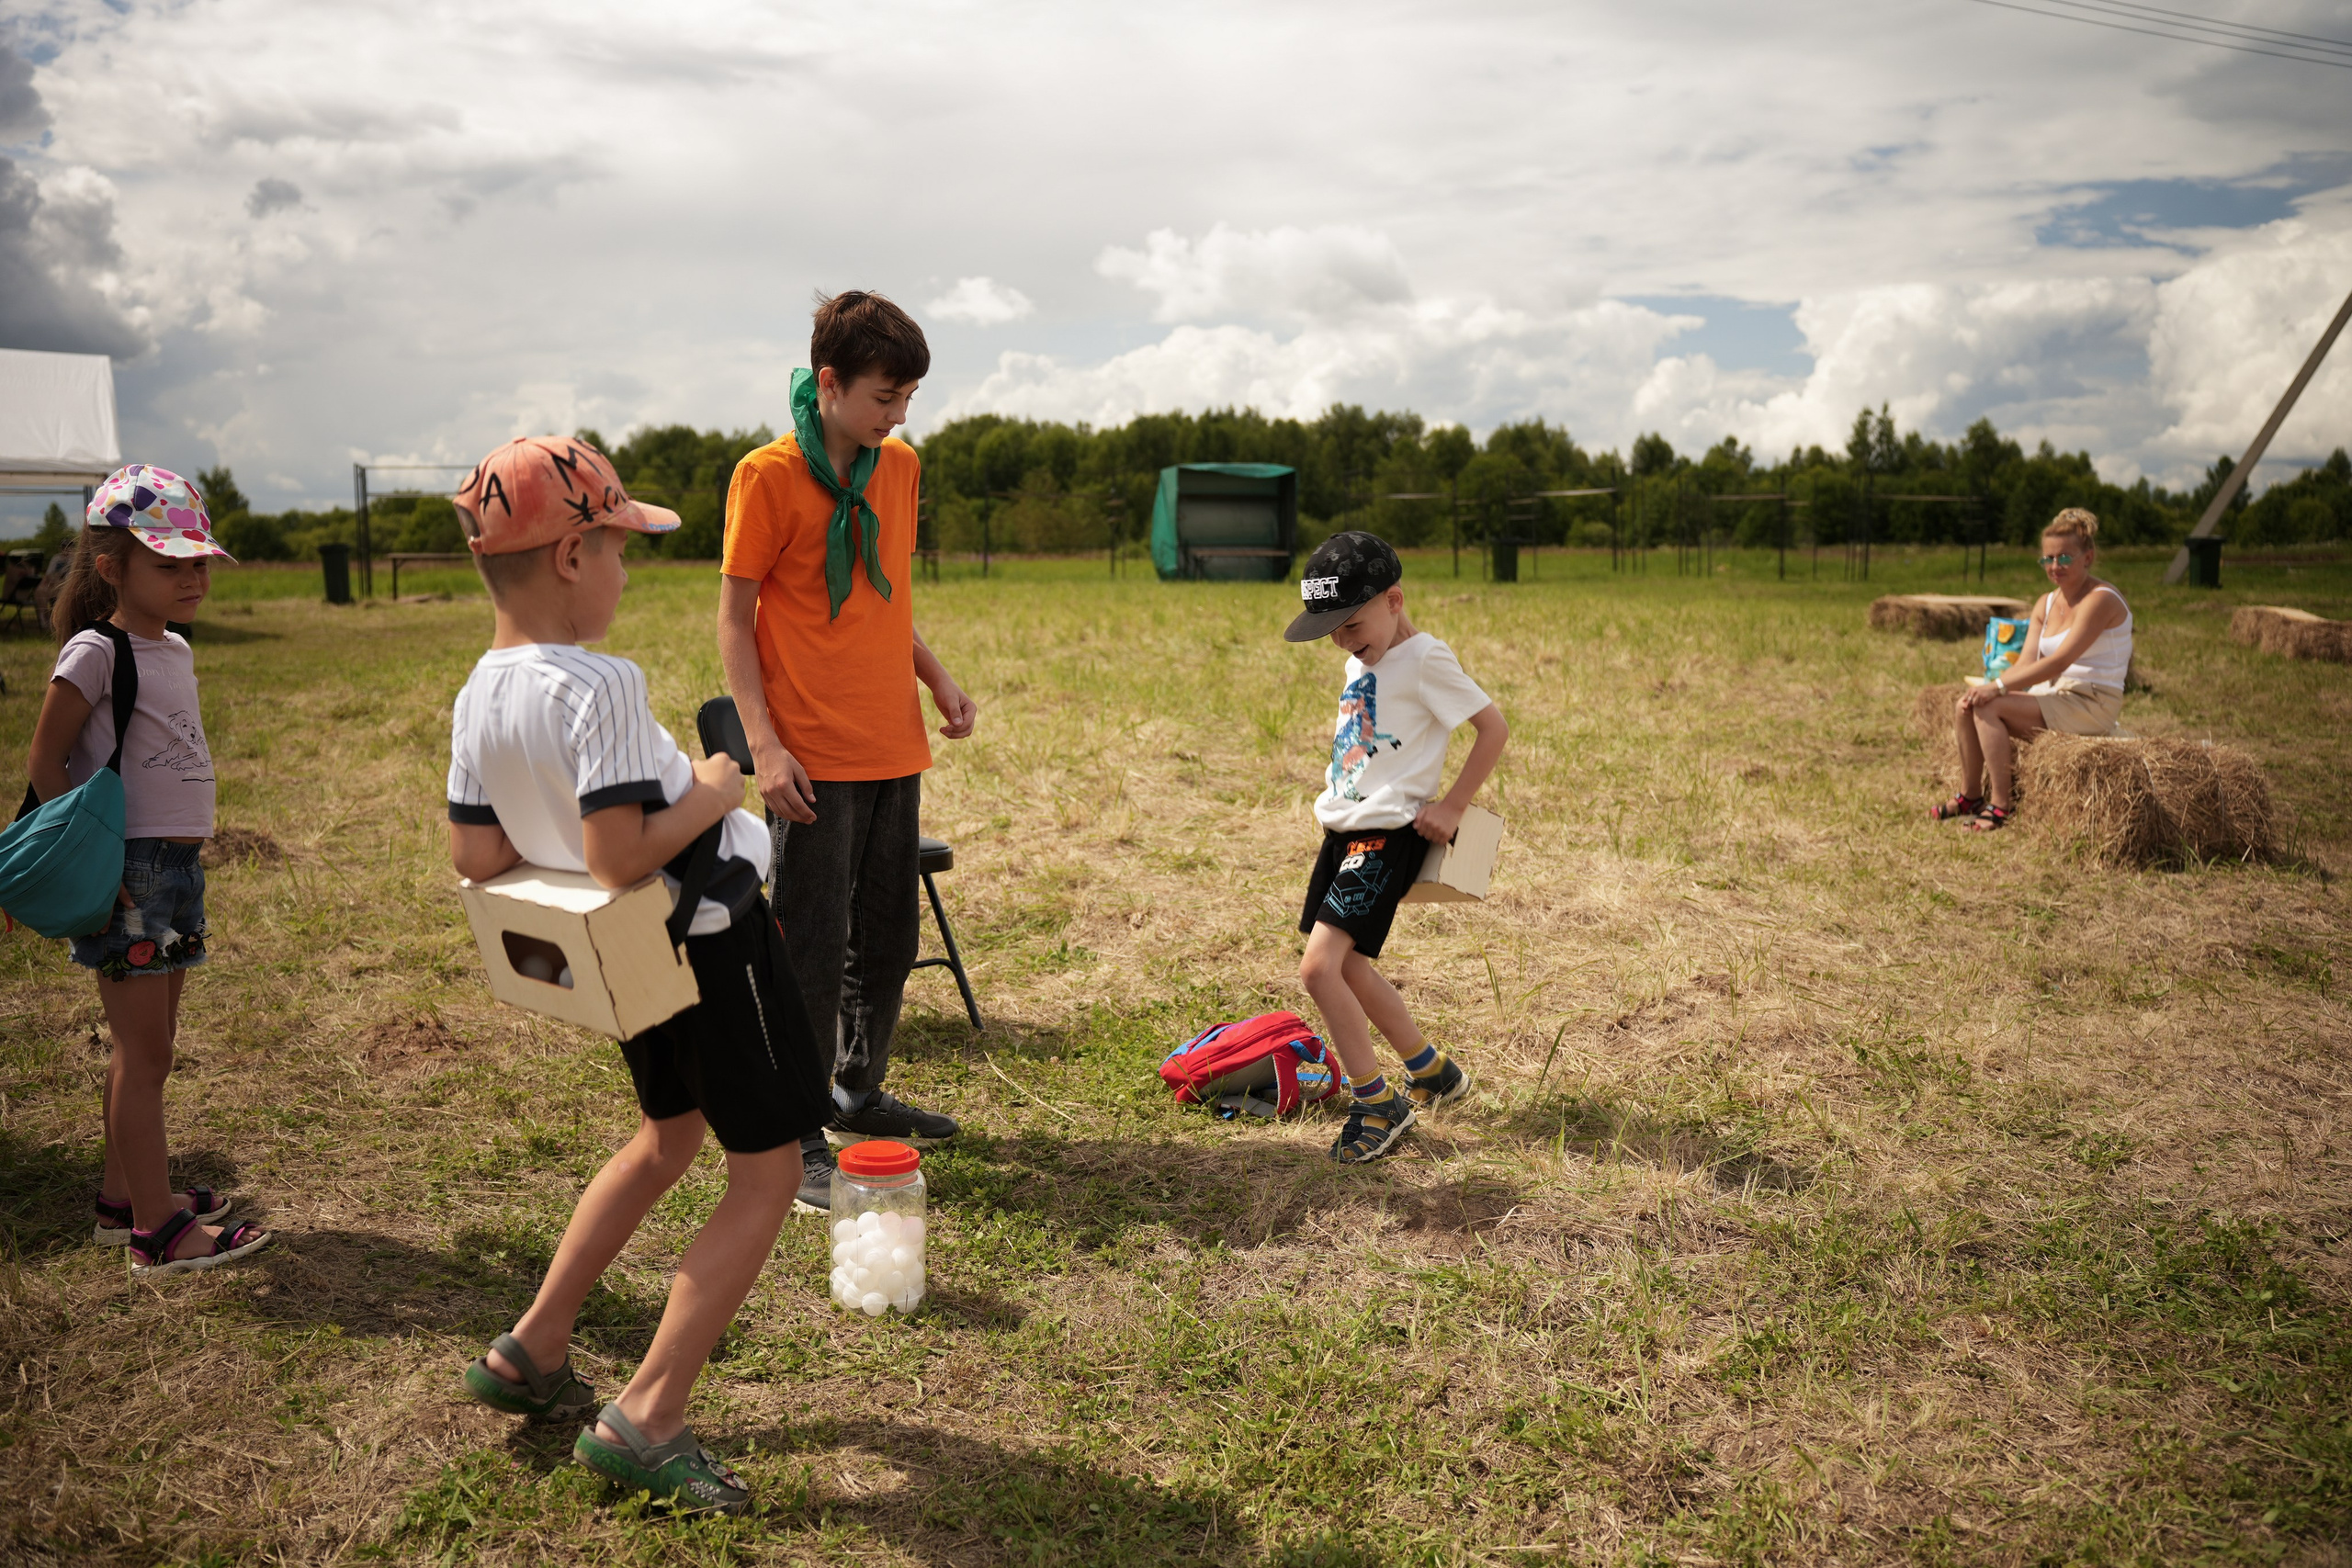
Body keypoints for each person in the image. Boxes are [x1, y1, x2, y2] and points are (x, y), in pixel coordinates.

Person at [446, 436, 831, 1516]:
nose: (628, 570)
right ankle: (648, 1417)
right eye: (621, 548)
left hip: (631, 956)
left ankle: (536, 1341)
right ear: (573, 555)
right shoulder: (604, 682)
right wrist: (713, 787)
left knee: (668, 1137)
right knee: (763, 1175)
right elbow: (622, 849)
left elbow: (478, 857)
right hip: (711, 940)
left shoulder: (479, 694)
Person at [718, 291, 978, 1212]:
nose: (897, 416)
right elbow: (736, 621)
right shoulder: (766, 476)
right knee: (810, 950)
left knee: (890, 936)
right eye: (882, 397)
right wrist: (765, 747)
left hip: (889, 743)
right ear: (827, 384)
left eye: (907, 398)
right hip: (810, 756)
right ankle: (795, 1137)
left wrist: (935, 677)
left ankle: (856, 1092)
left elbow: (886, 598)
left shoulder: (897, 468)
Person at [24, 466, 271, 1276]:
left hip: (175, 869)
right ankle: (157, 1230)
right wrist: (94, 865)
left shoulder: (174, 647)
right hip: (131, 874)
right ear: (111, 570)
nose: (193, 577)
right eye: (170, 564)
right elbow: (46, 757)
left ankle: (122, 1196)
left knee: (150, 1045)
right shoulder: (96, 651)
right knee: (147, 1055)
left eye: (198, 561)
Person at [1282, 532, 1509, 1163]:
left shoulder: (1425, 657)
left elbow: (1492, 727)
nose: (1345, 642)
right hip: (1345, 832)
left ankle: (1378, 1102)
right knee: (1346, 966)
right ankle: (1429, 1068)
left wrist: (1454, 805)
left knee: (1318, 969)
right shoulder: (1364, 659)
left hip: (1386, 837)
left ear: (1394, 599)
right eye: (1332, 631)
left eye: (1352, 624)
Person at [1932, 507, 2132, 832]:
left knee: (1990, 706)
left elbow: (2057, 662)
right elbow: (2027, 663)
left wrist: (1995, 689)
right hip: (2055, 694)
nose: (2055, 567)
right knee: (1965, 706)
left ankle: (2001, 805)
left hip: (2091, 702)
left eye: (2064, 558)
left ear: (2088, 557)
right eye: (2047, 559)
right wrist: (1989, 685)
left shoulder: (2101, 599)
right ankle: (1970, 796)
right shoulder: (2047, 602)